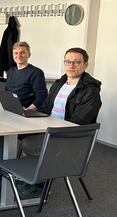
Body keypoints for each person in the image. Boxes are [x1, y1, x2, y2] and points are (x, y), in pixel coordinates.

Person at [18, 47, 102, 198]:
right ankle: (24, 174)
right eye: (68, 62)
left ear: (85, 65)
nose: (71, 66)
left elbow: (77, 122)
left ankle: (39, 183)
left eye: (76, 62)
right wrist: (29, 116)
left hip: (69, 136)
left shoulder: (90, 91)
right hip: (50, 129)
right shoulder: (59, 83)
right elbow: (45, 107)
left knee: (29, 144)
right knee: (19, 134)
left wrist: (50, 129)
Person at [5, 41, 47, 110]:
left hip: (26, 111)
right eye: (16, 53)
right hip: (11, 109)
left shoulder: (36, 72)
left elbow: (42, 96)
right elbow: (6, 93)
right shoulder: (11, 72)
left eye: (22, 53)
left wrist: (27, 111)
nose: (18, 56)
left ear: (29, 55)